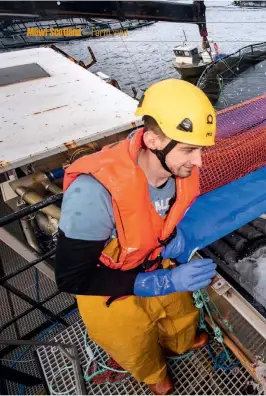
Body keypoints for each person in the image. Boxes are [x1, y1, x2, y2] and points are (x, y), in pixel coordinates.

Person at [55, 79, 217, 395]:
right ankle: (155, 376)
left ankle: (178, 345)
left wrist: (174, 238)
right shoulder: (94, 193)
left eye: (201, 149)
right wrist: (155, 284)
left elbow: (165, 213)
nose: (199, 161)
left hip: (155, 261)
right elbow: (72, 278)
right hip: (107, 286)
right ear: (153, 140)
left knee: (182, 315)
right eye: (189, 149)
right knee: (133, 341)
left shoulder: (179, 169)